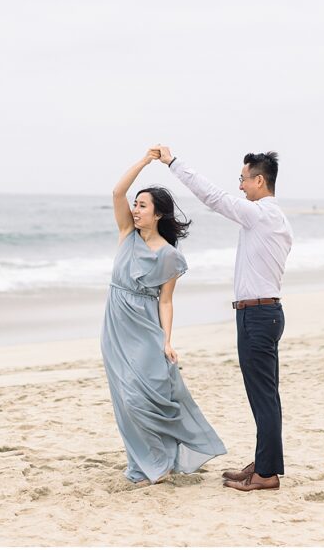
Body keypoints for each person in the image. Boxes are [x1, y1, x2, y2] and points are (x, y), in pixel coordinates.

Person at [156, 145, 293, 493]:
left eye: (243, 180)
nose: (240, 186)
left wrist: (174, 163)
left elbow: (212, 197)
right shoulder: (274, 218)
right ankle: (265, 463)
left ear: (259, 180)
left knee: (263, 396)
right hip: (265, 312)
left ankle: (266, 474)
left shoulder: (261, 214)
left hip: (258, 315)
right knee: (266, 395)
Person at [100, 149, 226, 487]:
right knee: (124, 399)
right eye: (136, 205)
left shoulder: (170, 256)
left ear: (158, 215)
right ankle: (146, 465)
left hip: (145, 326)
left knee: (145, 398)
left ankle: (162, 459)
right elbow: (116, 193)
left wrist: (167, 340)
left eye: (143, 206)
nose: (136, 210)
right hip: (115, 324)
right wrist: (143, 162)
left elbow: (166, 302)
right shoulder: (127, 234)